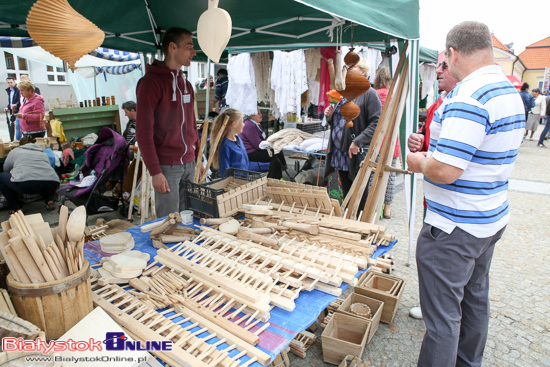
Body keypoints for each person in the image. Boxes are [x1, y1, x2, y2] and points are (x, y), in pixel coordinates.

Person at [406, 21, 524, 367]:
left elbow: (446, 170)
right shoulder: (505, 89)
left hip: (454, 226)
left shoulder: (469, 96)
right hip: (487, 218)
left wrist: (419, 161)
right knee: (474, 302)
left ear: (454, 54)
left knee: (442, 319)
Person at [407, 57, 459, 320]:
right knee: (431, 260)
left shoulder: (462, 107)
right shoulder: (436, 106)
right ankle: (431, 307)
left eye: (444, 66)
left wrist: (421, 161)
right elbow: (426, 141)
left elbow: (446, 165)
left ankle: (438, 313)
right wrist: (416, 140)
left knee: (441, 262)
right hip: (434, 200)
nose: (437, 71)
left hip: (453, 207)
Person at [135, 27, 200, 218]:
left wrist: (196, 156)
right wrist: (155, 171)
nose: (193, 52)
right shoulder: (150, 83)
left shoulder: (186, 84)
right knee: (169, 223)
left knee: (189, 219)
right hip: (167, 167)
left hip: (189, 163)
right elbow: (143, 132)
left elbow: (192, 123)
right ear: (172, 47)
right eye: (189, 47)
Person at [324, 59, 382, 200]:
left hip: (355, 153)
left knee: (359, 194)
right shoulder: (344, 92)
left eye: (352, 68)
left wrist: (358, 141)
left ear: (363, 72)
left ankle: (360, 220)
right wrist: (330, 116)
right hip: (340, 153)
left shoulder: (370, 94)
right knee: (347, 191)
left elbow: (377, 123)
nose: (348, 70)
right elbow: (338, 121)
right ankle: (349, 218)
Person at [0, 136, 59, 214]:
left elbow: (6, 169)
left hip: (26, 184)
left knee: (1, 177)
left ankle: (16, 207)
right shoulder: (42, 152)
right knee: (45, 176)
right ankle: (50, 200)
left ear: (20, 145)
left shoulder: (15, 151)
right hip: (52, 183)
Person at [373, 66, 400, 219]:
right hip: (391, 140)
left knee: (373, 175)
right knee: (389, 175)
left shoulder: (374, 95)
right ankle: (387, 209)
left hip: (377, 141)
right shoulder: (394, 96)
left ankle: (375, 207)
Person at [238, 110, 286, 179]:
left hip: (256, 150)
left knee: (278, 152)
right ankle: (273, 177)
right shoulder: (249, 125)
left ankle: (281, 172)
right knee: (276, 155)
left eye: (260, 113)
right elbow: (258, 145)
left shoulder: (257, 125)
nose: (261, 115)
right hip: (250, 152)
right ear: (252, 116)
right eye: (258, 113)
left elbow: (264, 139)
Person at [212, 108, 248, 176]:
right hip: (233, 183)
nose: (244, 124)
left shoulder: (239, 140)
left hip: (244, 180)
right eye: (242, 122)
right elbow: (225, 171)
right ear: (234, 124)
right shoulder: (225, 145)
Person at [4, 77, 20, 141]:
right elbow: (11, 102)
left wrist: (16, 105)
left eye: (11, 82)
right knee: (13, 126)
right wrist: (7, 107)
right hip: (12, 110)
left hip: (17, 110)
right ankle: (13, 139)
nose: (10, 84)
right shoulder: (9, 91)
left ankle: (17, 140)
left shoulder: (18, 90)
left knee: (17, 126)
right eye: (8, 83)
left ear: (14, 82)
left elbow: (19, 100)